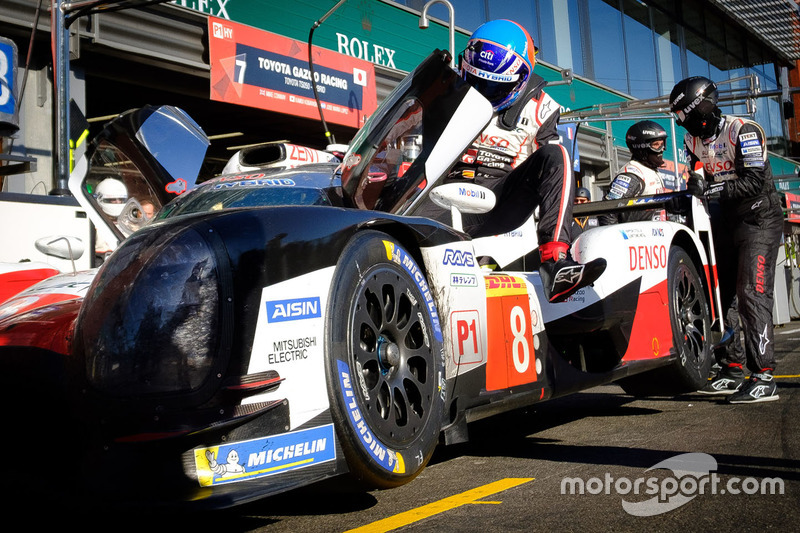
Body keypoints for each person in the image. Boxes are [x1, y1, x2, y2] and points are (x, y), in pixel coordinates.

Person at [420, 19, 606, 302]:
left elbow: (551, 175)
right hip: (441, 196)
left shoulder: (544, 109)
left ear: (521, 79)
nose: (483, 91)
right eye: (477, 82)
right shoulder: (445, 89)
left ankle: (556, 262)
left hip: (498, 199)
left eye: (494, 87)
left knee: (557, 155)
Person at [670, 76, 783, 403]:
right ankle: (732, 367)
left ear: (700, 106)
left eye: (683, 114)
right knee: (719, 292)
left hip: (759, 218)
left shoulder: (744, 130)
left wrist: (710, 189)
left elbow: (753, 182)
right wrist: (693, 185)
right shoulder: (694, 140)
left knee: (752, 291)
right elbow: (697, 175)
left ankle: (763, 375)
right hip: (726, 219)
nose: (682, 122)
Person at [598, 121, 668, 225]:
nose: (662, 149)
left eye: (662, 144)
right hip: (638, 238)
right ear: (641, 147)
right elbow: (607, 212)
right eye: (656, 145)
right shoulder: (633, 174)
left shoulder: (649, 170)